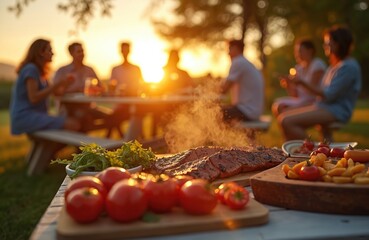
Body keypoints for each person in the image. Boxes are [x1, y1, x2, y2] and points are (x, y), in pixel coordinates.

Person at [278, 25, 361, 141]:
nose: (325, 46)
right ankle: (306, 152)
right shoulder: (334, 66)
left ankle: (313, 151)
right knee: (284, 116)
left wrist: (301, 82)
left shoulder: (348, 67)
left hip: (336, 111)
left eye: (328, 43)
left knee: (286, 121)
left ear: (338, 44)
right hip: (324, 107)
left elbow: (328, 95)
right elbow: (322, 92)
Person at [10, 38, 80, 135]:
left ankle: (55, 149)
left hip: (36, 115)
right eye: (50, 50)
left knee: (75, 122)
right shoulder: (31, 69)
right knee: (73, 124)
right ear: (41, 52)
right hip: (25, 117)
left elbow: (56, 93)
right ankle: (81, 149)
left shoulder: (42, 73)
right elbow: (33, 98)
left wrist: (65, 84)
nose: (53, 53)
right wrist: (58, 84)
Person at [52, 42, 109, 133]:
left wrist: (97, 90)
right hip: (69, 109)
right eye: (79, 51)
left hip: (89, 108)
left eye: (83, 51)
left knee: (112, 116)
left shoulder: (89, 70)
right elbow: (56, 93)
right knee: (82, 116)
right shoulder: (62, 71)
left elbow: (101, 88)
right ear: (71, 54)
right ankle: (81, 145)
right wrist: (71, 88)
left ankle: (109, 139)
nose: (82, 54)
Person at [272, 39, 326, 117]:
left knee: (284, 112)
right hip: (301, 101)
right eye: (296, 52)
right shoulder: (299, 68)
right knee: (277, 106)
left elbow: (313, 91)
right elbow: (294, 95)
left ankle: (292, 125)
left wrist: (300, 82)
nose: (297, 54)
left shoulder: (317, 65)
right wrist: (288, 84)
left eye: (300, 51)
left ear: (310, 51)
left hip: (314, 101)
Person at [221, 39, 264, 122]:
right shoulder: (246, 63)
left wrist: (207, 94)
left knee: (213, 112)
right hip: (252, 110)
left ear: (236, 49)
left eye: (230, 49)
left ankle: (214, 135)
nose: (228, 53)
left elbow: (223, 90)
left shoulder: (238, 62)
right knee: (217, 110)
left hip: (247, 111)